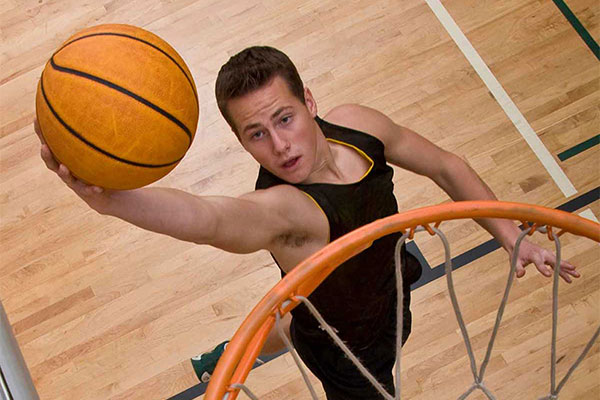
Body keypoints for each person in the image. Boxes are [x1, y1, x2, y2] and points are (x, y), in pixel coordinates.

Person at [35, 46, 579, 399]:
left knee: (298, 307)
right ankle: (234, 356)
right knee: (305, 322)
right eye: (256, 135)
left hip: (379, 281)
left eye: (285, 119)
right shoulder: (284, 213)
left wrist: (513, 239)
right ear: (241, 140)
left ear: (311, 102)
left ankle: (222, 355)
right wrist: (111, 202)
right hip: (348, 351)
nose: (279, 146)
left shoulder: (359, 127)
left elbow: (445, 165)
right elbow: (207, 218)